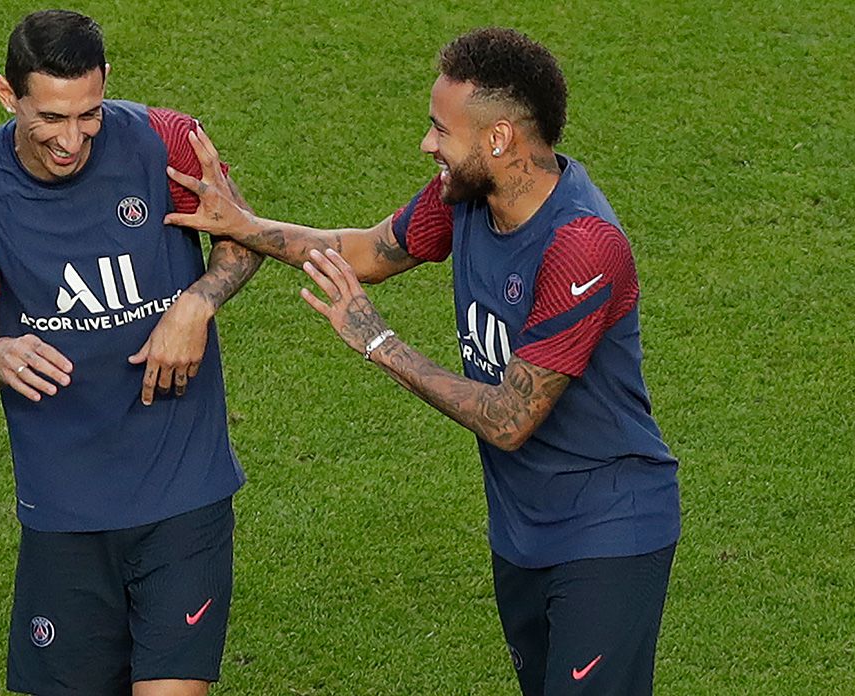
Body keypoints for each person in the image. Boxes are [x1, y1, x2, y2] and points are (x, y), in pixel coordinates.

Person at [163, 27, 680, 696]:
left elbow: (509, 419)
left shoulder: (582, 246)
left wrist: (380, 343)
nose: (427, 143)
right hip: (523, 528)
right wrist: (242, 226)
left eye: (442, 129)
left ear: (499, 140)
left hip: (610, 527)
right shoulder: (464, 200)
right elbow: (367, 251)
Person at [0, 10, 262, 695]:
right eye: (50, 117)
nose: (71, 139)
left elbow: (242, 239)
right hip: (65, 506)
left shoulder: (166, 139)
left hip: (183, 492)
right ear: (7, 94)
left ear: (106, 84)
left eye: (88, 114)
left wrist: (196, 304)